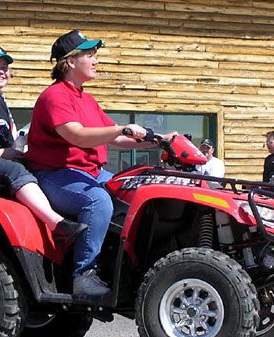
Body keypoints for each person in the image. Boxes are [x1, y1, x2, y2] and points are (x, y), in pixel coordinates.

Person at [25, 30, 169, 297]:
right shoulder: (55, 96)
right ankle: (84, 276)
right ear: (69, 62)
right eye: (89, 55)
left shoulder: (86, 99)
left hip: (88, 172)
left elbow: (118, 138)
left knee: (135, 192)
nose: (96, 61)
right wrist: (121, 129)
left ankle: (128, 269)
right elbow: (76, 135)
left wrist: (160, 140)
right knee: (97, 200)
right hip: (53, 174)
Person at [0, 45, 86, 245]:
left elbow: (11, 144)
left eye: (4, 67)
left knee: (35, 166)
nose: (1, 72)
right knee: (13, 170)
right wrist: (4, 154)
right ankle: (57, 224)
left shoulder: (0, 105)